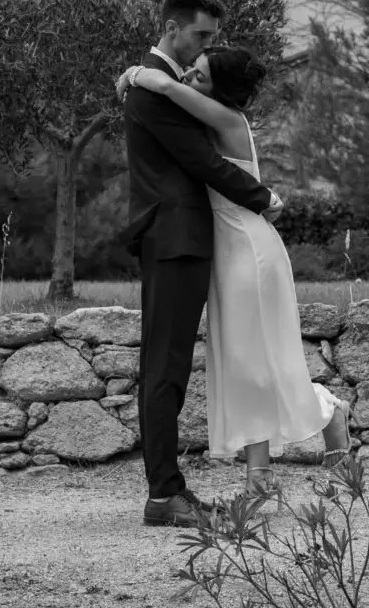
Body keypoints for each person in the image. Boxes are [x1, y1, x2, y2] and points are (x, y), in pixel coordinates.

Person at [119, 47, 352, 497]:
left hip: (247, 250)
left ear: (220, 92)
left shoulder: (227, 119)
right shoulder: (207, 115)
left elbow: (165, 86)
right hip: (225, 253)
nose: (190, 77)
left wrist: (135, 73)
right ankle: (261, 475)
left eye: (202, 77)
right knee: (243, 365)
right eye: (193, 69)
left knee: (254, 363)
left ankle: (325, 414)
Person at [120, 0, 279, 529]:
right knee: (164, 368)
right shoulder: (151, 90)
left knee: (168, 368)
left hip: (183, 239)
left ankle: (170, 490)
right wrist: (264, 197)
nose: (206, 45)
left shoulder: (156, 83)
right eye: (201, 35)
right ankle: (165, 495)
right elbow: (200, 161)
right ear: (172, 28)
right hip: (175, 238)